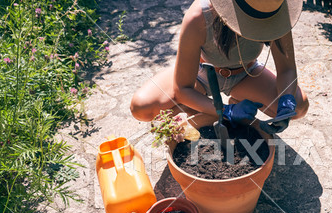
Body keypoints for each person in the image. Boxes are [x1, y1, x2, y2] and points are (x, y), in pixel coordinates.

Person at [130, 0, 309, 134]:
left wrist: (287, 101)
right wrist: (226, 112)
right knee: (142, 107)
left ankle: (226, 102)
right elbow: (183, 88)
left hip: (246, 74)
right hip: (201, 73)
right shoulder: (199, 17)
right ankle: (204, 110)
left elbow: (287, 69)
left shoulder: (274, 10)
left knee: (299, 105)